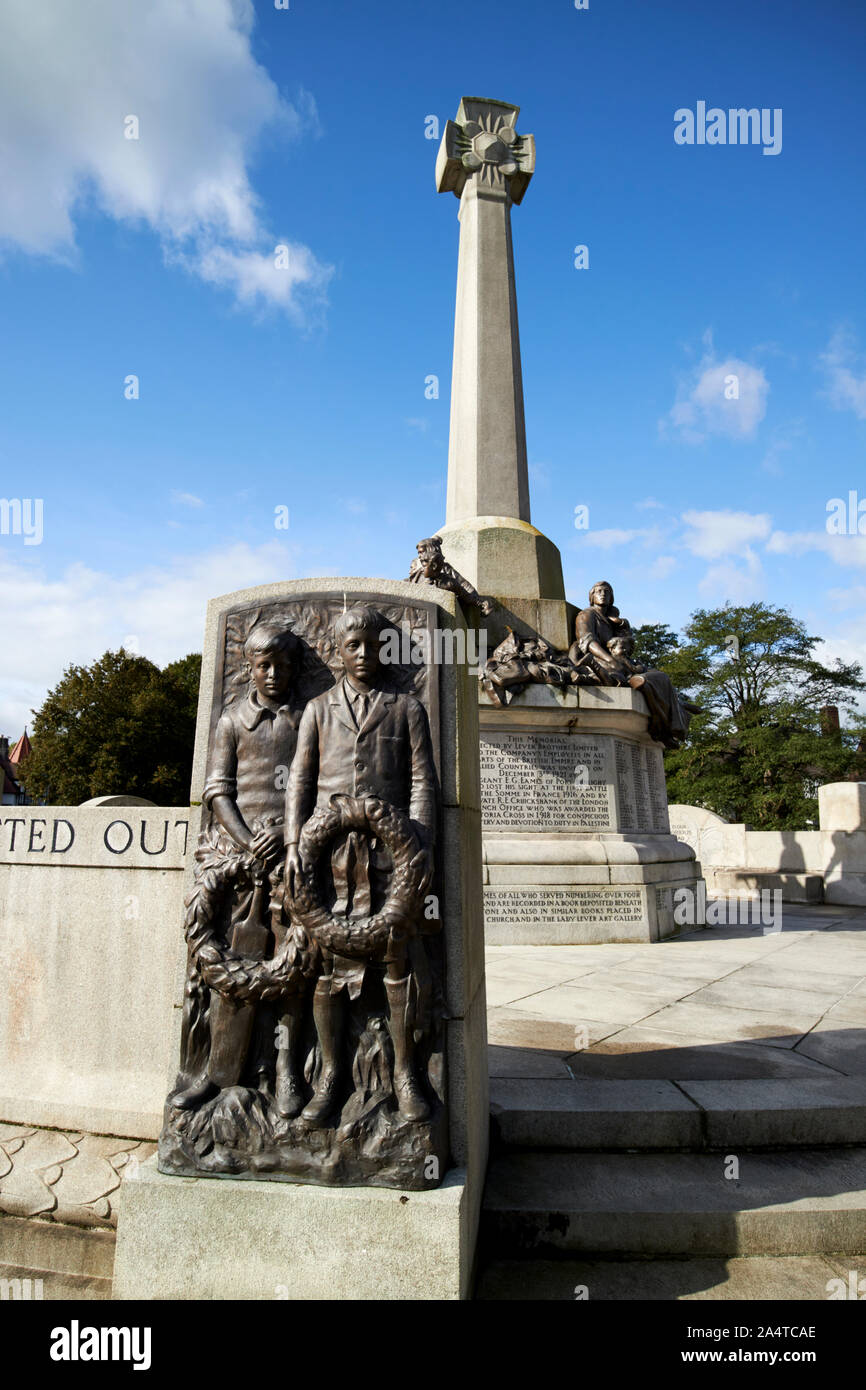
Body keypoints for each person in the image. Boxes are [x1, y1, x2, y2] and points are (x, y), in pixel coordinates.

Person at [285, 604, 438, 1126]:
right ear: (338, 651)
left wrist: (420, 846)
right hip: (327, 861)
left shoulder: (406, 708)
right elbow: (301, 783)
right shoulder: (318, 709)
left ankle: (406, 1074)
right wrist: (292, 846)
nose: (365, 654)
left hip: (390, 858)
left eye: (375, 645)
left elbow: (422, 782)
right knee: (327, 969)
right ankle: (329, 1078)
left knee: (397, 963)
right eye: (354, 645)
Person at [173, 622, 307, 1118]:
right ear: (249, 668)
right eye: (263, 665)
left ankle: (290, 1074)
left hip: (294, 857)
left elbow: (314, 783)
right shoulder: (231, 721)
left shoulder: (307, 718)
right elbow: (217, 792)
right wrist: (250, 843)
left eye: (283, 665)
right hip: (237, 863)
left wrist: (288, 835)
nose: (273, 674)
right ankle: (217, 1072)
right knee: (231, 970)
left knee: (295, 972)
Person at [570, 581, 698, 747]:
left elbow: (628, 645)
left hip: (621, 662)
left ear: (611, 598)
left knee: (661, 677)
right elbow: (587, 642)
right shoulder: (586, 615)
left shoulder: (610, 619)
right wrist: (609, 659)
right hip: (600, 661)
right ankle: (665, 723)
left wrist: (623, 626)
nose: (603, 594)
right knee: (646, 683)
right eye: (599, 591)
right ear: (592, 596)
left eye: (607, 592)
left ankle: (673, 713)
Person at [407, 536, 494, 617]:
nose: (419, 556)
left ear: (430, 550)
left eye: (421, 552)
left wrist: (479, 602)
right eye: (418, 553)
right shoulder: (418, 571)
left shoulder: (445, 570)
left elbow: (464, 586)